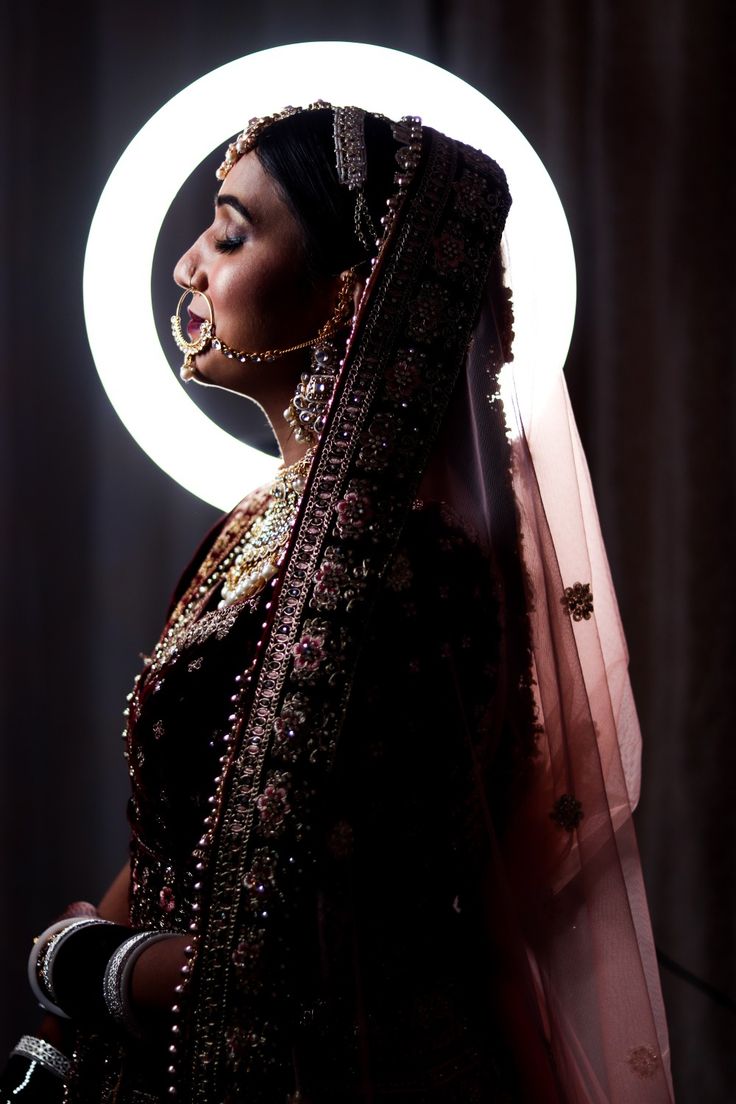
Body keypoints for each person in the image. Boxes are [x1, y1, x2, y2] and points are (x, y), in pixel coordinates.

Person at [1, 102, 675, 1103]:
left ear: (347, 297)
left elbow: (303, 970)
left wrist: (81, 963)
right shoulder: (261, 524)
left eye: (230, 233)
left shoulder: (403, 573)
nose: (186, 268)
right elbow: (177, 830)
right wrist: (66, 1020)